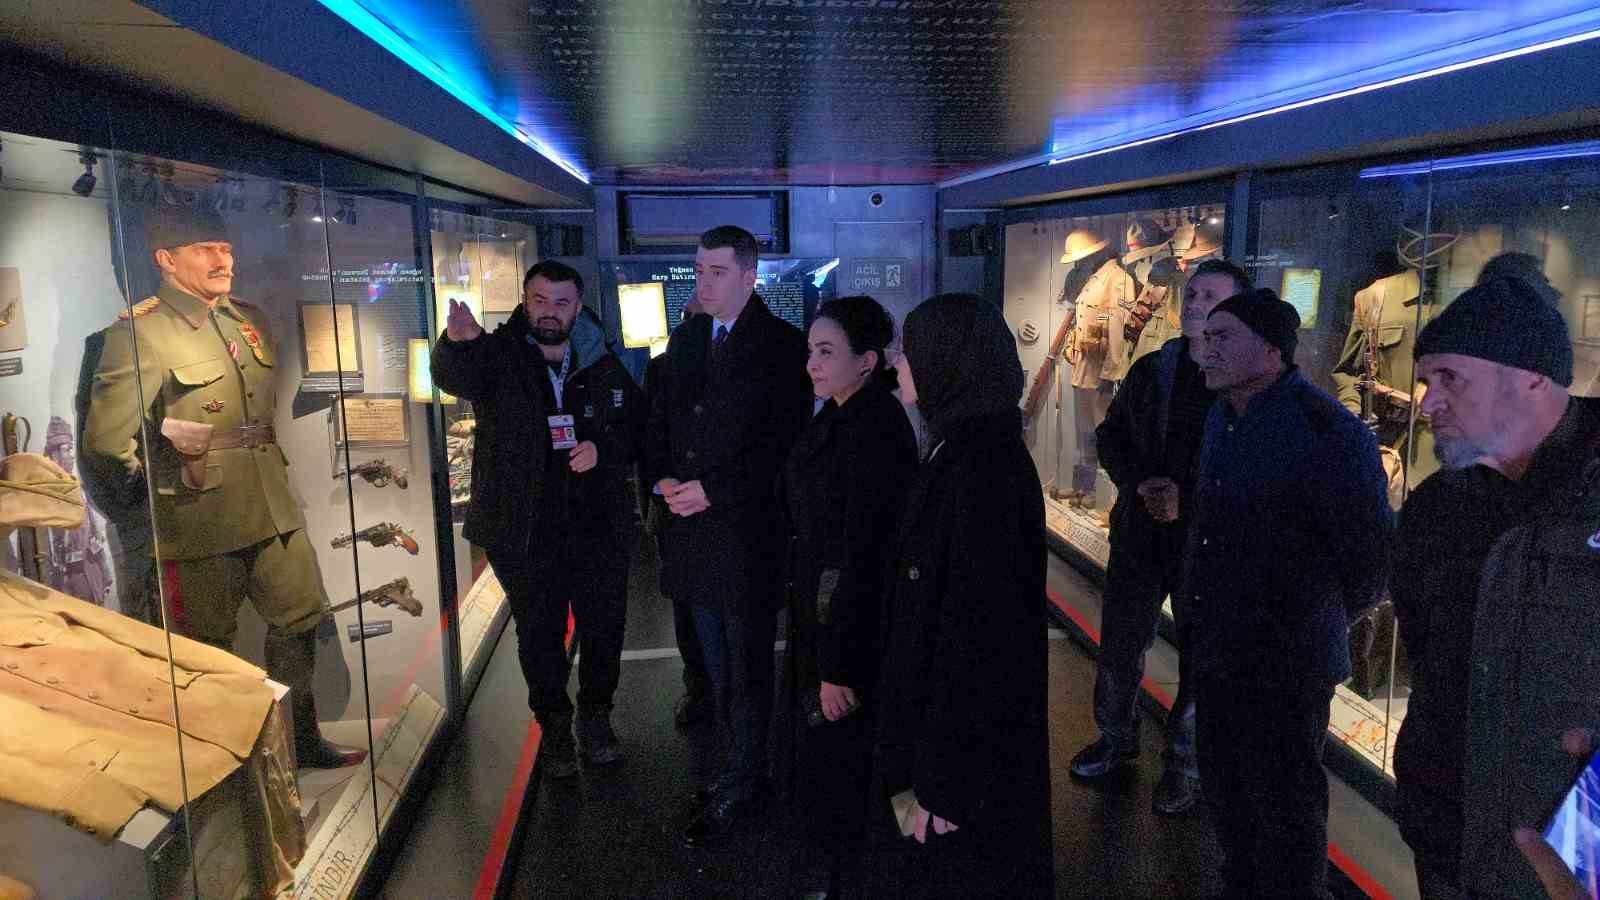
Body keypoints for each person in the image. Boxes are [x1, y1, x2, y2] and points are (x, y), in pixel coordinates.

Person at [80, 203, 365, 770]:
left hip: (272, 509)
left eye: (226, 249)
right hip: (197, 521)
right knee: (206, 649)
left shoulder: (245, 320)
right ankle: (228, 765)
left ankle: (299, 740)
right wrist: (148, 510)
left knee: (301, 618)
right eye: (204, 250)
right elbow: (106, 446)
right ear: (166, 260)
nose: (222, 260)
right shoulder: (140, 334)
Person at [1391, 271, 1600, 899]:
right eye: (1426, 382)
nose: (1427, 404)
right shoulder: (1437, 507)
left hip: (1566, 862)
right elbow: (1427, 657)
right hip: (1447, 835)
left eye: (1451, 378)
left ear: (1533, 378)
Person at [1184, 288, 1391, 897]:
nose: (1207, 348)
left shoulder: (1329, 432)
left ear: (1272, 350)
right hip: (1219, 649)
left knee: (1286, 808)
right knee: (1227, 794)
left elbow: (1369, 562)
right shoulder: (1222, 417)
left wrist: (1305, 620)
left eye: (1224, 337)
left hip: (1286, 663)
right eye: (1207, 337)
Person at [866, 292, 1054, 897]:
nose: (898, 362)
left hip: (960, 763)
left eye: (910, 351)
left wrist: (944, 780)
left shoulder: (982, 467)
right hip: (946, 741)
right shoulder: (966, 446)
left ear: (948, 361)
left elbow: (979, 635)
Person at [432, 260, 644, 777]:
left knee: (604, 629)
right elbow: (454, 377)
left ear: (578, 306)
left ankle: (596, 718)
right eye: (540, 301)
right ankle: (554, 726)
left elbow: (637, 424)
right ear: (525, 301)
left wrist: (603, 450)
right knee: (540, 634)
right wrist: (456, 342)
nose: (550, 312)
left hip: (597, 525)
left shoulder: (601, 358)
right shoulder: (498, 353)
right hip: (524, 529)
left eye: (561, 302)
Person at [645, 225, 811, 846]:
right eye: (699, 270)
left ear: (749, 275)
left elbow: (782, 445)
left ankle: (747, 774)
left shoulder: (783, 346)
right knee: (713, 662)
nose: (704, 282)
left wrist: (716, 490)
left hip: (744, 535)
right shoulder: (688, 338)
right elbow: (662, 419)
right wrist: (660, 477)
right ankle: (736, 764)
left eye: (717, 271)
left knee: (747, 666)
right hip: (690, 530)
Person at [1069, 258, 1251, 816]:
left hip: (1209, 544)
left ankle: (1185, 765)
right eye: (1192, 294)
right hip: (1141, 531)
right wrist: (1139, 482)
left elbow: (1252, 473)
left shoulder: (1248, 384)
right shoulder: (1154, 369)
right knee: (1121, 643)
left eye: (1210, 296)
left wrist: (1186, 500)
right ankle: (1115, 737)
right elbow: (1112, 434)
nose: (1195, 303)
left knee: (1201, 656)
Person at [780, 295, 918, 894]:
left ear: (867, 361)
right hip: (822, 611)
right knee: (827, 755)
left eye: (826, 351)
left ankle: (844, 877)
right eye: (811, 350)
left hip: (843, 627)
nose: (812, 363)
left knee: (841, 756)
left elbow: (862, 555)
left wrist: (837, 664)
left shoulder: (873, 430)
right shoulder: (842, 413)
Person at [644, 299, 714, 731]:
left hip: (709, 508)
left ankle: (708, 688)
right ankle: (701, 686)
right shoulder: (663, 369)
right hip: (678, 508)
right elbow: (651, 435)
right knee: (688, 605)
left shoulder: (743, 369)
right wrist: (660, 485)